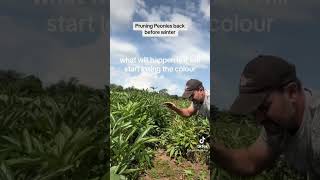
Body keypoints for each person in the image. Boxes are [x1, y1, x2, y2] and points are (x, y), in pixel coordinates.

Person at [211, 55, 320, 178]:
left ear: (291, 92)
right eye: (254, 111)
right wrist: (213, 150)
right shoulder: (280, 124)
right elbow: (250, 162)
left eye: (264, 107)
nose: (259, 119)